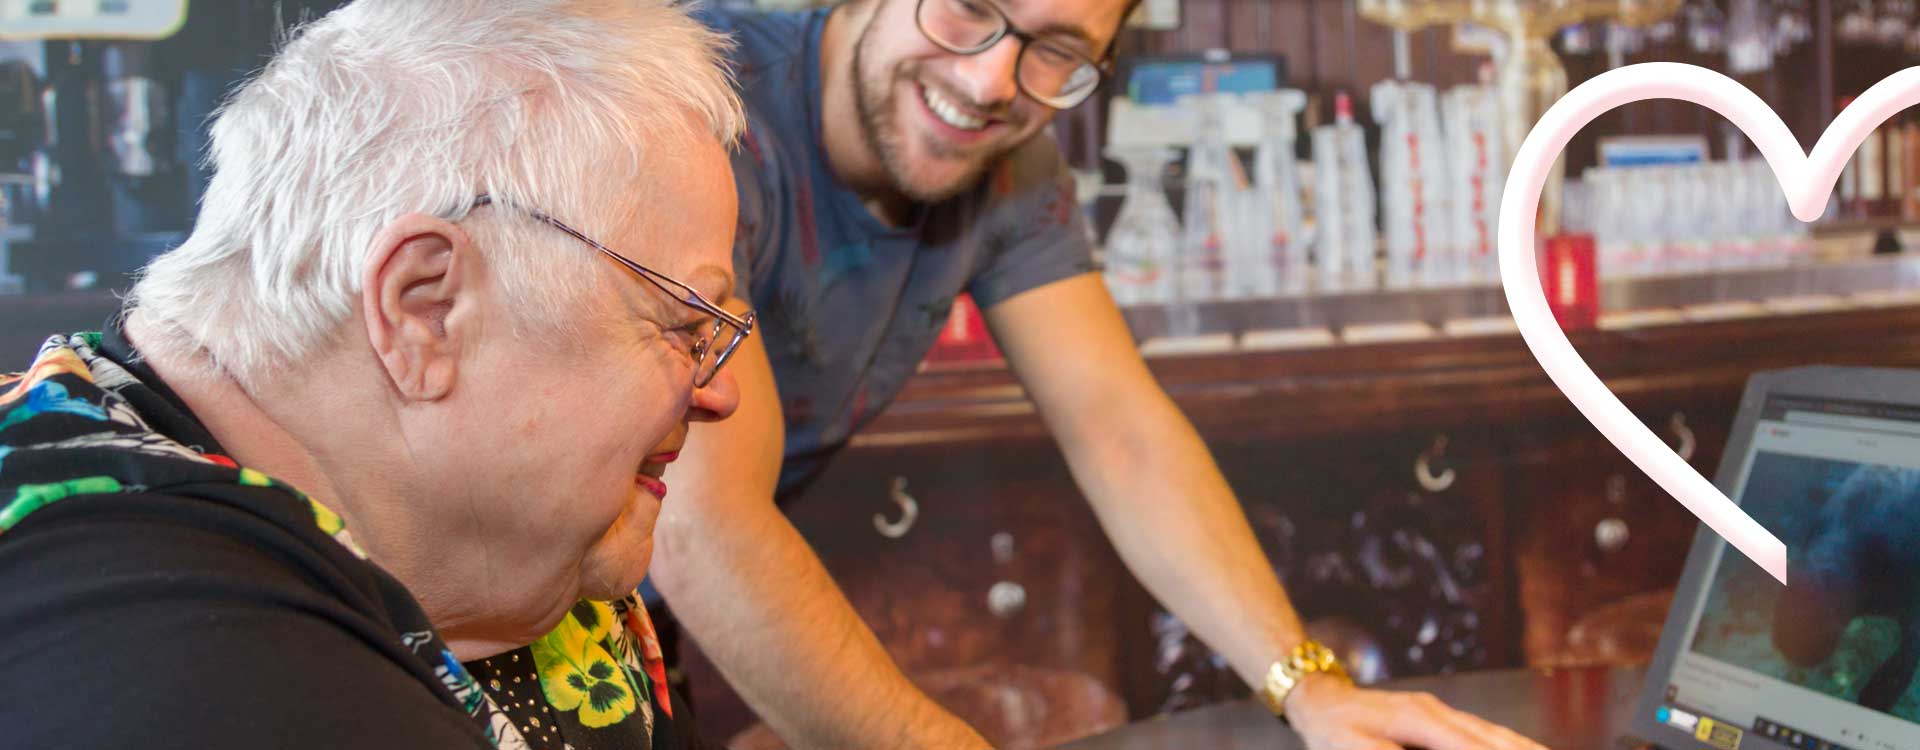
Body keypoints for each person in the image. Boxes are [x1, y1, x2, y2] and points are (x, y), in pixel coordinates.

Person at [650, 1, 1551, 748]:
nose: (989, 81)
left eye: (1057, 51)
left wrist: (1310, 685)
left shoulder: (1012, 169)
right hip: (563, 621)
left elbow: (1119, 430)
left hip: (643, 630)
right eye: (968, 9)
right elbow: (704, 522)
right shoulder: (698, 102)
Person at [0, 2, 747, 748]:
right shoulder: (178, 661)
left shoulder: (496, 547)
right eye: (684, 326)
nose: (720, 392)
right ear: (425, 310)